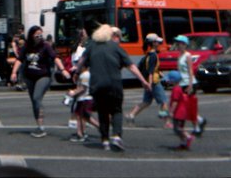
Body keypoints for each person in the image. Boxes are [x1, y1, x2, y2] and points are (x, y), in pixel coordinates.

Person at [75, 23, 151, 152]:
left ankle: (105, 140)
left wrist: (76, 73)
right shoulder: (116, 47)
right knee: (116, 110)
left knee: (103, 112)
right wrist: (143, 81)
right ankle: (116, 136)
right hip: (113, 84)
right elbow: (131, 66)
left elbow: (82, 61)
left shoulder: (91, 46)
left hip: (97, 85)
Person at [21, 24, 70, 137]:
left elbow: (55, 57)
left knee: (36, 97)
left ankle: (41, 125)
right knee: (34, 102)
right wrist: (13, 73)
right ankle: (40, 126)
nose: (39, 36)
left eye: (40, 34)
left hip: (43, 75)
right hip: (29, 77)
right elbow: (20, 59)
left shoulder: (46, 46)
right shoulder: (27, 46)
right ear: (32, 35)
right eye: (36, 34)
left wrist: (62, 69)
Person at [126, 34, 168, 121]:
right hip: (154, 82)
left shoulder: (147, 56)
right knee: (164, 102)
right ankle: (166, 121)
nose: (159, 43)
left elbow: (144, 68)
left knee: (146, 102)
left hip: (148, 81)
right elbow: (150, 71)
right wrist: (150, 83)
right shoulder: (153, 56)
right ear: (153, 43)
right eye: (157, 42)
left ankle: (131, 115)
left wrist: (158, 73)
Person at [171, 36, 206, 136]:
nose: (178, 45)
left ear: (185, 45)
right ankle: (199, 121)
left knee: (189, 107)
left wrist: (190, 85)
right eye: (177, 43)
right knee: (186, 106)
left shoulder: (187, 55)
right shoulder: (179, 55)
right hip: (182, 84)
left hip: (189, 84)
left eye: (180, 43)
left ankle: (197, 126)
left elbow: (191, 70)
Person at [169, 80, 193, 150]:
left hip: (179, 112)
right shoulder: (179, 88)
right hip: (182, 111)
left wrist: (171, 112)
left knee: (178, 128)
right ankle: (183, 143)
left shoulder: (176, 89)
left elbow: (175, 101)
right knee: (179, 128)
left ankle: (188, 137)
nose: (168, 81)